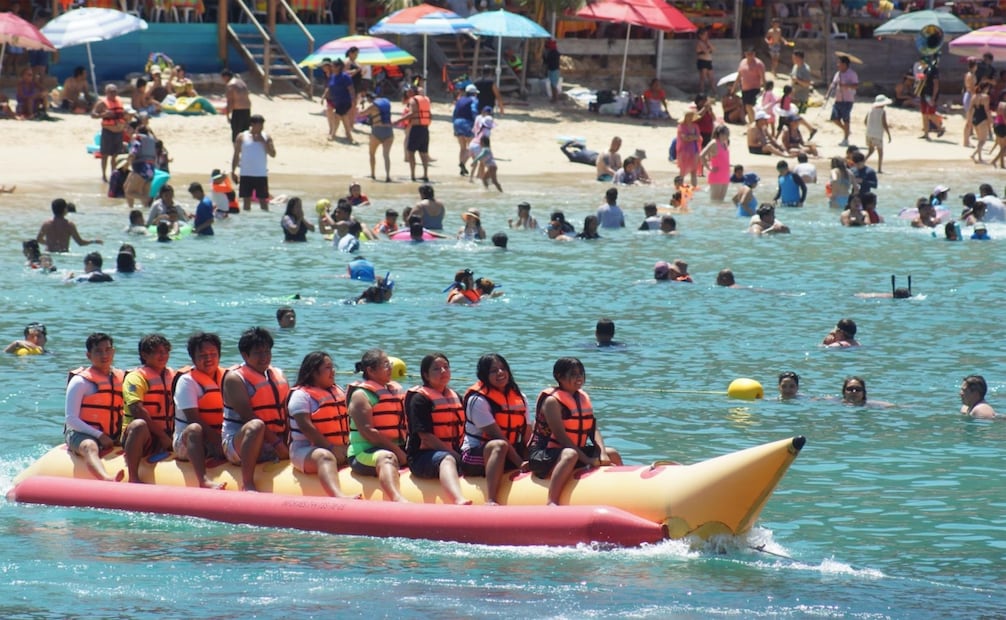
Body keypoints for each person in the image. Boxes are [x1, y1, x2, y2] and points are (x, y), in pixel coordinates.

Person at [528, 357, 623, 505]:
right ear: (559, 376)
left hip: (574, 451)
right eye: (573, 374)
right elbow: (561, 437)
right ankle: (552, 501)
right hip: (544, 454)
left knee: (613, 453)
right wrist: (588, 460)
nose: (579, 377)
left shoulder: (582, 397)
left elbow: (593, 428)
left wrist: (602, 453)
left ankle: (621, 495)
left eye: (581, 373)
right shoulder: (552, 402)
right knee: (569, 454)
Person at [221, 327, 289, 492]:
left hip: (275, 441)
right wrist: (278, 444)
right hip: (238, 444)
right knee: (256, 425)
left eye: (267, 351)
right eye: (258, 353)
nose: (264, 357)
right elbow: (247, 417)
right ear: (245, 355)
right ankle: (247, 483)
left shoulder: (278, 374)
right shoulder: (234, 378)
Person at [461, 353, 529, 505]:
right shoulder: (478, 400)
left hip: (509, 453)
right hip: (475, 455)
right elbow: (497, 436)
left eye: (503, 368)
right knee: (499, 445)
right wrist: (520, 462)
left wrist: (533, 458)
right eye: (493, 371)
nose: (500, 373)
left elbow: (527, 434)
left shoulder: (520, 397)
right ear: (484, 375)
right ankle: (491, 499)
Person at [287, 351, 357, 498]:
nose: (333, 371)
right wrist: (330, 448)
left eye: (333, 367)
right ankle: (338, 497)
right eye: (328, 368)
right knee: (324, 456)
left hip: (339, 449)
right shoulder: (301, 396)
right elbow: (306, 427)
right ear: (313, 372)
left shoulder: (337, 391)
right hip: (305, 451)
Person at [404, 353, 470, 505]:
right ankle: (458, 499)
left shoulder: (456, 397)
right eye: (436, 369)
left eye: (446, 367)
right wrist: (454, 455)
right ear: (426, 375)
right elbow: (425, 437)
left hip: (454, 452)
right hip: (422, 457)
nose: (443, 371)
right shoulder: (420, 400)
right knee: (446, 459)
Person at [346, 349, 408, 501]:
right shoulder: (361, 395)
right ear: (370, 370)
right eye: (385, 364)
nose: (390, 368)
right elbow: (368, 432)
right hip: (363, 452)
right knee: (387, 457)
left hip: (397, 448)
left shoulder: (393, 390)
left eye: (390, 364)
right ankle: (396, 499)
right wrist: (397, 452)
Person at [64, 332, 124, 482]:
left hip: (113, 434)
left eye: (107, 350)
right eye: (98, 351)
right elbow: (71, 419)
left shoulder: (121, 377)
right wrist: (99, 436)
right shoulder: (80, 382)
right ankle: (105, 479)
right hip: (81, 433)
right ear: (88, 355)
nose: (104, 355)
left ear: (113, 352)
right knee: (90, 446)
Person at [172, 332, 227, 489]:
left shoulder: (227, 377)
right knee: (195, 429)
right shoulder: (187, 381)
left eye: (213, 354)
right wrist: (218, 444)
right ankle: (203, 479)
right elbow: (193, 418)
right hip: (187, 442)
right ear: (193, 358)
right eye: (202, 355)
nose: (208, 358)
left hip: (220, 437)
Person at [120, 334, 175, 483]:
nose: (163, 355)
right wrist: (162, 436)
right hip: (143, 437)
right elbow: (136, 410)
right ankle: (133, 476)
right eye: (158, 352)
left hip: (169, 435)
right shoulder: (135, 378)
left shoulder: (173, 376)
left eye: (166, 351)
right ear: (144, 355)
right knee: (139, 425)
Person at [232, 114, 276, 211]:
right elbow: (236, 155)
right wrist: (233, 171)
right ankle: (247, 223)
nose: (261, 127)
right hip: (245, 173)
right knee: (246, 202)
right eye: (259, 125)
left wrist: (263, 142)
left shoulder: (266, 137)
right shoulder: (242, 136)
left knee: (263, 201)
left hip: (261, 174)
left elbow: (273, 154)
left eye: (262, 125)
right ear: (252, 124)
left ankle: (264, 221)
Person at [91, 83, 128, 182]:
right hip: (108, 131)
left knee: (116, 155)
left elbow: (123, 115)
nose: (113, 94)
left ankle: (113, 174)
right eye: (111, 92)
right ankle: (103, 175)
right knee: (105, 155)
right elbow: (93, 114)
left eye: (115, 91)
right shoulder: (102, 103)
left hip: (119, 132)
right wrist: (104, 114)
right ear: (106, 92)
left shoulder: (119, 101)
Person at [36, 198, 101, 253]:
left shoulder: (46, 224)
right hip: (64, 253)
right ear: (64, 209)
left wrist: (49, 244)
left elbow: (39, 239)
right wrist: (94, 241)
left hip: (49, 253)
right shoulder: (69, 225)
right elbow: (80, 243)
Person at [826, 56, 859, 146]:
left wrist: (845, 86)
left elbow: (856, 86)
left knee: (846, 119)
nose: (838, 65)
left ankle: (846, 139)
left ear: (844, 64)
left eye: (839, 63)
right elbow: (833, 84)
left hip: (847, 100)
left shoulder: (852, 74)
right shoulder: (838, 73)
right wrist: (827, 94)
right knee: (834, 118)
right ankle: (846, 130)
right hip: (838, 99)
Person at [362, 91, 394, 182]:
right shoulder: (386, 104)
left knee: (372, 154)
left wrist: (362, 105)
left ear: (369, 99)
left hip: (377, 130)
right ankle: (388, 176)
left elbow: (361, 113)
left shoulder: (372, 106)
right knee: (386, 155)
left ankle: (373, 174)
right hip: (389, 131)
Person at [731, 48, 766, 125]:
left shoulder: (759, 64)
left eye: (751, 54)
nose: (749, 56)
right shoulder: (743, 62)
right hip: (745, 89)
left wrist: (765, 89)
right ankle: (752, 124)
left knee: (751, 107)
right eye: (748, 54)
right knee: (747, 107)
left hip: (755, 88)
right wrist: (734, 87)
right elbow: (739, 75)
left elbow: (763, 78)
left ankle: (755, 124)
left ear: (754, 54)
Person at [324, 58, 355, 143]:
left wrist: (353, 100)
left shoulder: (345, 77)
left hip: (344, 101)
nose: (332, 67)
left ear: (338, 67)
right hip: (337, 101)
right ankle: (349, 136)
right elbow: (330, 87)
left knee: (337, 117)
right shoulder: (333, 76)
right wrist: (325, 95)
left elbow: (351, 89)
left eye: (333, 66)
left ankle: (333, 135)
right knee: (344, 118)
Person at [405, 86, 432, 182]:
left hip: (416, 129)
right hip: (425, 129)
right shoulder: (426, 100)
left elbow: (412, 113)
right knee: (424, 153)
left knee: (411, 152)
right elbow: (430, 115)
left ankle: (413, 176)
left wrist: (398, 120)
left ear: (413, 92)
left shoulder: (413, 100)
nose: (408, 93)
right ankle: (425, 175)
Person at [453, 83, 479, 176]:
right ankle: (465, 164)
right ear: (474, 93)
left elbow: (455, 113)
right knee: (471, 146)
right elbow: (474, 111)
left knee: (462, 147)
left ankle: (462, 169)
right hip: (467, 123)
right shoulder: (474, 100)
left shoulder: (460, 99)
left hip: (457, 123)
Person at [701, 125, 731, 202]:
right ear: (720, 134)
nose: (728, 136)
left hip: (725, 175)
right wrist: (709, 168)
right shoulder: (714, 143)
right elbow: (702, 155)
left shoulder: (724, 143)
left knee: (721, 201)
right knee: (714, 201)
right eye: (726, 134)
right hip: (716, 175)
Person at [864, 95, 892, 174]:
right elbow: (884, 123)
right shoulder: (882, 112)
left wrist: (870, 128)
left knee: (870, 151)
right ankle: (879, 169)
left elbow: (865, 121)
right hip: (878, 135)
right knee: (880, 152)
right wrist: (889, 134)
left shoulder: (870, 110)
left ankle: (861, 163)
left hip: (868, 133)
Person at [222, 68, 251, 144]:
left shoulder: (230, 85)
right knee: (245, 133)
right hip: (247, 109)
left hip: (238, 111)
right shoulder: (242, 82)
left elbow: (230, 101)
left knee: (236, 134)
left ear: (226, 77)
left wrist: (228, 115)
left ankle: (237, 153)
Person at [917, 58, 942, 141]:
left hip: (930, 94)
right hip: (924, 94)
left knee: (930, 114)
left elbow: (936, 84)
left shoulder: (933, 70)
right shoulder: (925, 70)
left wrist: (934, 97)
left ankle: (940, 128)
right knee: (924, 114)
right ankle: (926, 134)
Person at [676, 110, 703, 186]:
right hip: (684, 151)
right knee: (682, 171)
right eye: (688, 116)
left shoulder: (695, 126)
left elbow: (699, 137)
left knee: (694, 171)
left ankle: (694, 187)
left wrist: (691, 137)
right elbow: (685, 138)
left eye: (691, 116)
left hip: (694, 150)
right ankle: (679, 186)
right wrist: (693, 137)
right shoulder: (681, 126)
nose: (690, 117)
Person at [969, 83, 992, 164]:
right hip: (982, 119)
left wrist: (969, 120)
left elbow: (970, 109)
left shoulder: (974, 96)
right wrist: (990, 120)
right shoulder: (985, 97)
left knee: (980, 140)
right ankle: (979, 158)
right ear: (985, 88)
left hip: (975, 119)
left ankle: (974, 155)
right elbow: (987, 110)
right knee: (983, 140)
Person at [789, 50, 814, 117]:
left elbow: (807, 84)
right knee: (793, 116)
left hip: (802, 97)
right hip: (794, 96)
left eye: (794, 58)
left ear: (799, 58)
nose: (793, 59)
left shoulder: (806, 69)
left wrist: (797, 80)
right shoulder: (795, 66)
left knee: (797, 117)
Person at [695, 27, 715, 95]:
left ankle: (714, 92)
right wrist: (709, 48)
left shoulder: (706, 42)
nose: (706, 36)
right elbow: (706, 51)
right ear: (700, 35)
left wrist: (708, 43)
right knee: (703, 78)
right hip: (702, 61)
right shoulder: (699, 43)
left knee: (711, 78)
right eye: (705, 35)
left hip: (708, 61)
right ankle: (701, 92)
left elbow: (713, 48)